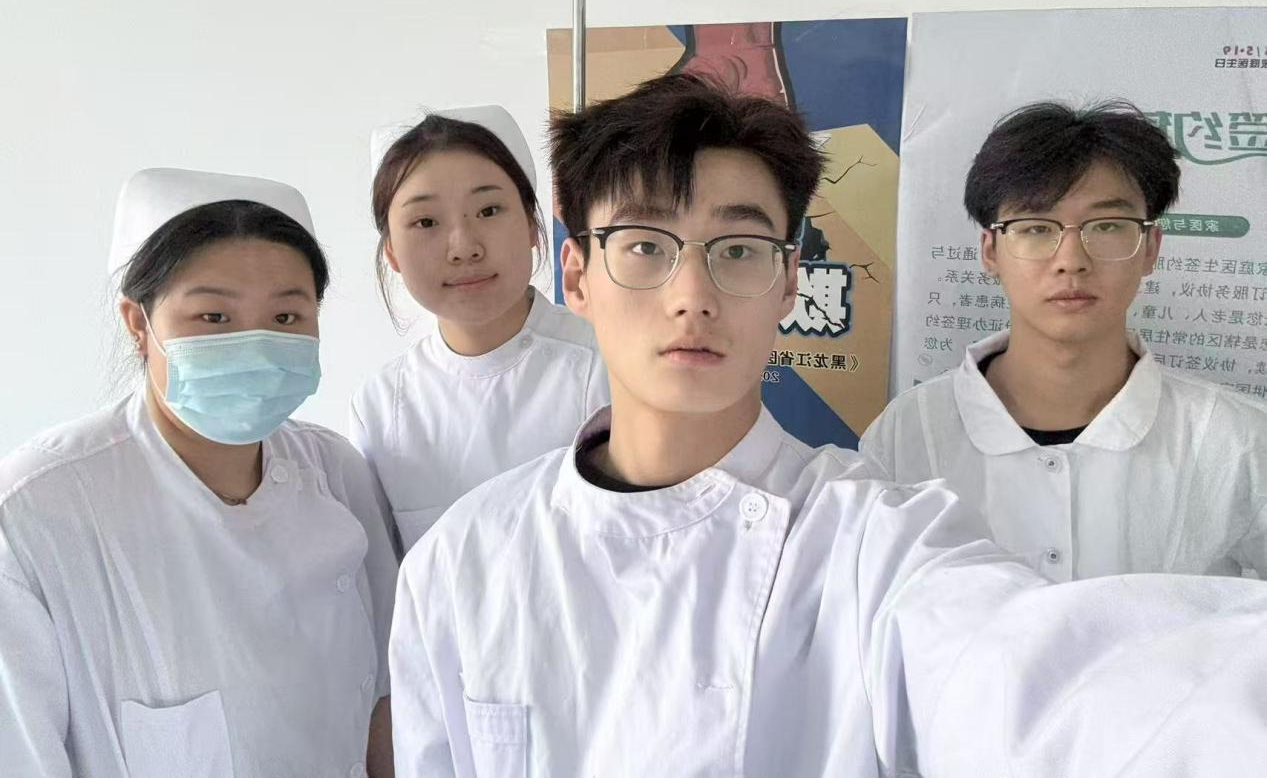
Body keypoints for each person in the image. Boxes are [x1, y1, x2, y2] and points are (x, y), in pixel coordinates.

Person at [387, 75, 1267, 776]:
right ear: (577, 274)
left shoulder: (875, 542)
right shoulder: (465, 559)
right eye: (645, 246)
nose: (691, 295)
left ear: (787, 283)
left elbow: (1047, 681)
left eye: (737, 249)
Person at [0, 168, 397, 777]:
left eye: (286, 318)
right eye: (214, 318)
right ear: (139, 323)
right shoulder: (36, 512)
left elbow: (386, 703)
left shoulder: (335, 471)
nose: (256, 347)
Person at [861, 102, 1267, 581]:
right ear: (991, 251)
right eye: (1036, 228)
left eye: (1107, 226)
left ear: (1151, 248)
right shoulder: (906, 435)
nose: (1071, 259)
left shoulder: (1239, 442)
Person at [351, 106, 608, 555]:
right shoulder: (381, 405)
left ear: (532, 226)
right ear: (391, 252)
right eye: (425, 222)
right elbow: (387, 574)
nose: (464, 247)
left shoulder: (607, 365)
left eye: (489, 210)